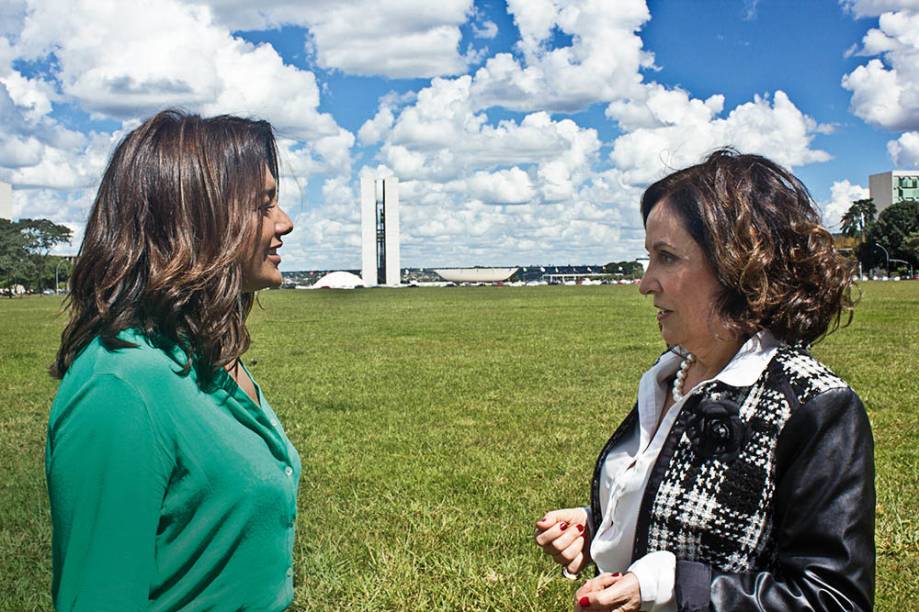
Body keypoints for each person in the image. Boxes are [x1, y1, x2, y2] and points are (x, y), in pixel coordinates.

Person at [534, 149, 875, 611]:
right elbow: (690, 512)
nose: (645, 282)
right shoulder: (671, 374)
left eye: (666, 257)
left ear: (739, 267)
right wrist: (598, 524)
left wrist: (671, 586)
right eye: (648, 256)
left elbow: (832, 599)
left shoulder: (815, 406)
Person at [46, 110, 299, 610]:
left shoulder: (207, 353)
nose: (284, 223)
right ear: (198, 222)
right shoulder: (121, 387)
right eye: (264, 205)